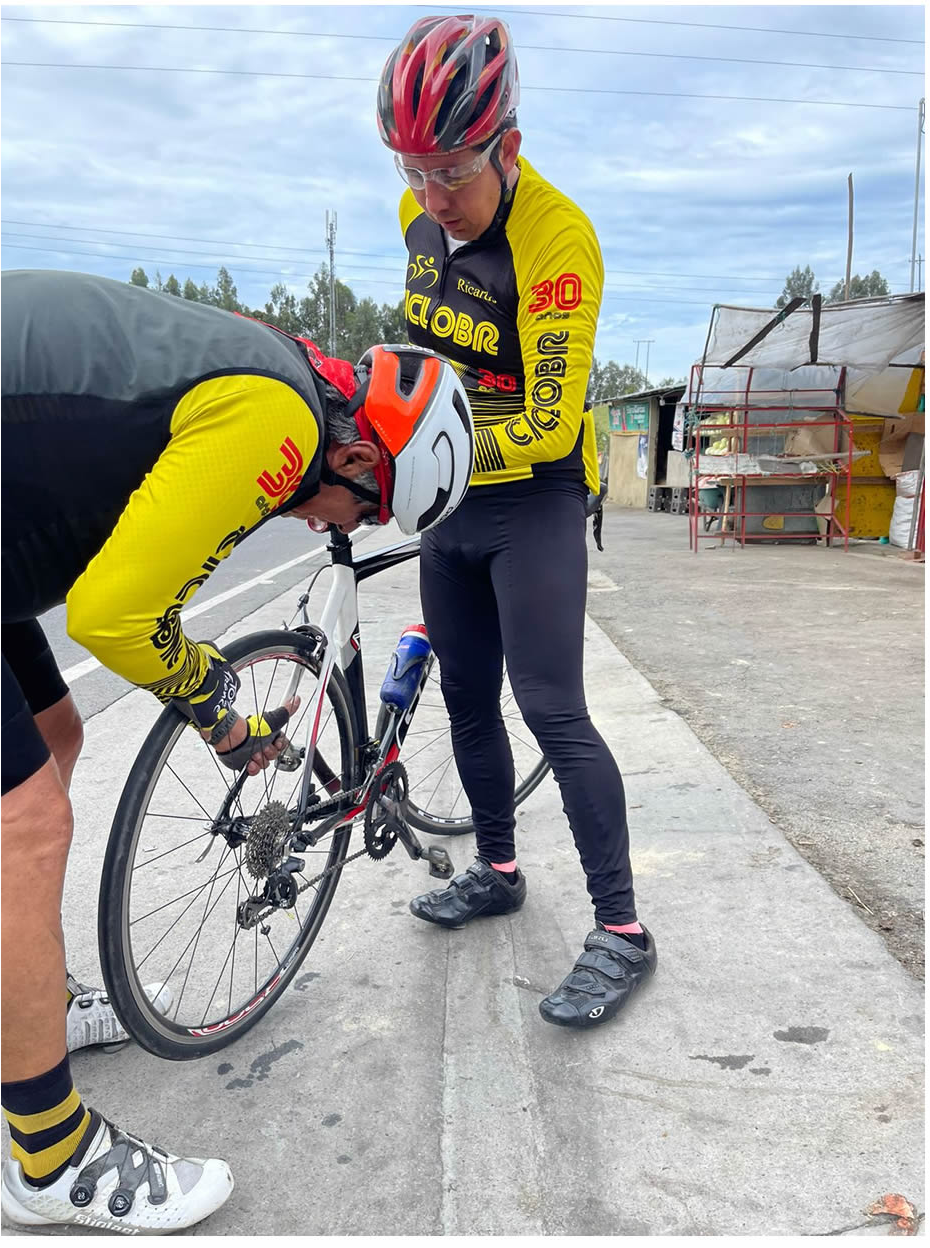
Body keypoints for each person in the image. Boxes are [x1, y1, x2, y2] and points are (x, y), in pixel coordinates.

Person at [1, 268, 474, 1233]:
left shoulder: (284, 371)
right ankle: (48, 1159)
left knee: (57, 734)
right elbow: (114, 618)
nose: (341, 527)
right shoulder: (278, 423)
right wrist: (216, 705)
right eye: (366, 511)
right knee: (24, 826)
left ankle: (20, 1003)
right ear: (357, 456)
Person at [377, 14, 657, 1029]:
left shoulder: (557, 238)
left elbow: (546, 425)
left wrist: (425, 458)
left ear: (509, 146)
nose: (433, 196)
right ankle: (496, 870)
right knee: (464, 699)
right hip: (451, 503)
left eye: (452, 169)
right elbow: (431, 362)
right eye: (413, 170)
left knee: (550, 707)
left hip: (532, 498)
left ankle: (622, 930)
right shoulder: (417, 220)